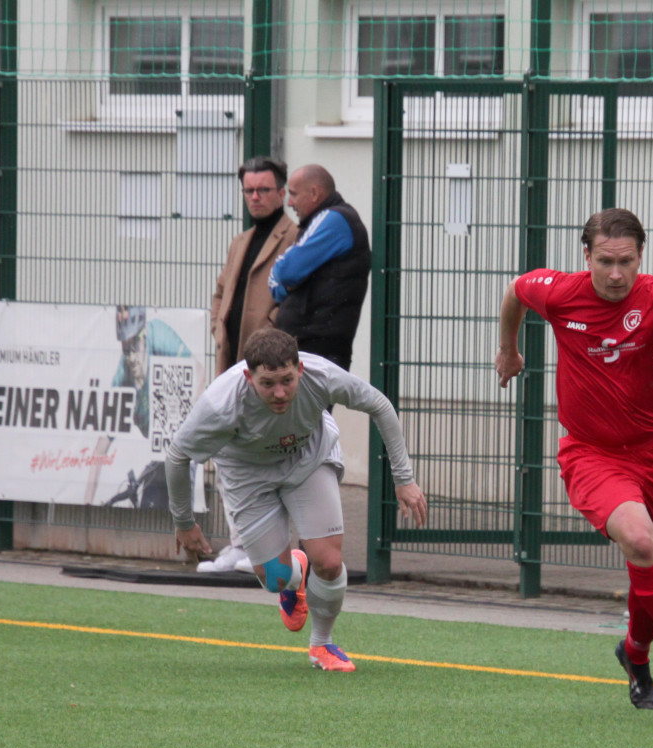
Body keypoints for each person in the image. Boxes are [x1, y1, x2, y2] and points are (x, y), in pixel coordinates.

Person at [493, 208, 653, 710]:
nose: (616, 274)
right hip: (591, 453)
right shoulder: (558, 291)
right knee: (639, 540)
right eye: (606, 261)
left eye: (627, 262)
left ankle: (635, 655)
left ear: (641, 257)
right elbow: (515, 291)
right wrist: (509, 349)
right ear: (585, 255)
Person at [166, 328, 428, 672]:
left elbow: (379, 404)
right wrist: (184, 522)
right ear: (248, 376)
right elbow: (177, 456)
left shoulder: (321, 375)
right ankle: (295, 573)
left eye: (287, 380)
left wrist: (404, 478)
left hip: (308, 459)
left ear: (300, 369)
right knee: (274, 578)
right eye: (268, 383)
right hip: (248, 475)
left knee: (330, 561)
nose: (279, 393)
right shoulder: (219, 404)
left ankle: (322, 645)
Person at [200, 156, 298, 573]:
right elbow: (221, 290)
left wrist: (269, 339)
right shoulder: (240, 241)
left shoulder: (294, 236)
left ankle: (268, 550)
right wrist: (219, 328)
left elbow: (291, 297)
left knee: (272, 459)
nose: (255, 197)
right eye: (249, 190)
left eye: (263, 189)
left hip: (268, 370)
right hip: (233, 366)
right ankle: (239, 544)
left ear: (281, 191)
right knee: (228, 453)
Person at [82, 305, 195, 509]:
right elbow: (100, 448)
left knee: (182, 510)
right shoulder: (123, 376)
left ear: (144, 337)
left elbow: (199, 374)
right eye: (126, 350)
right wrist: (87, 503)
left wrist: (188, 424)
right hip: (160, 455)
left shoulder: (159, 335)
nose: (132, 357)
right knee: (150, 506)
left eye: (135, 347)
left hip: (184, 447)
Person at [268, 165, 371, 371]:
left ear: (314, 193)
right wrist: (283, 285)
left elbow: (285, 271)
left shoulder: (332, 219)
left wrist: (285, 281)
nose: (290, 203)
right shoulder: (326, 221)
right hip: (315, 345)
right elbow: (279, 288)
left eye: (294, 194)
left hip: (316, 347)